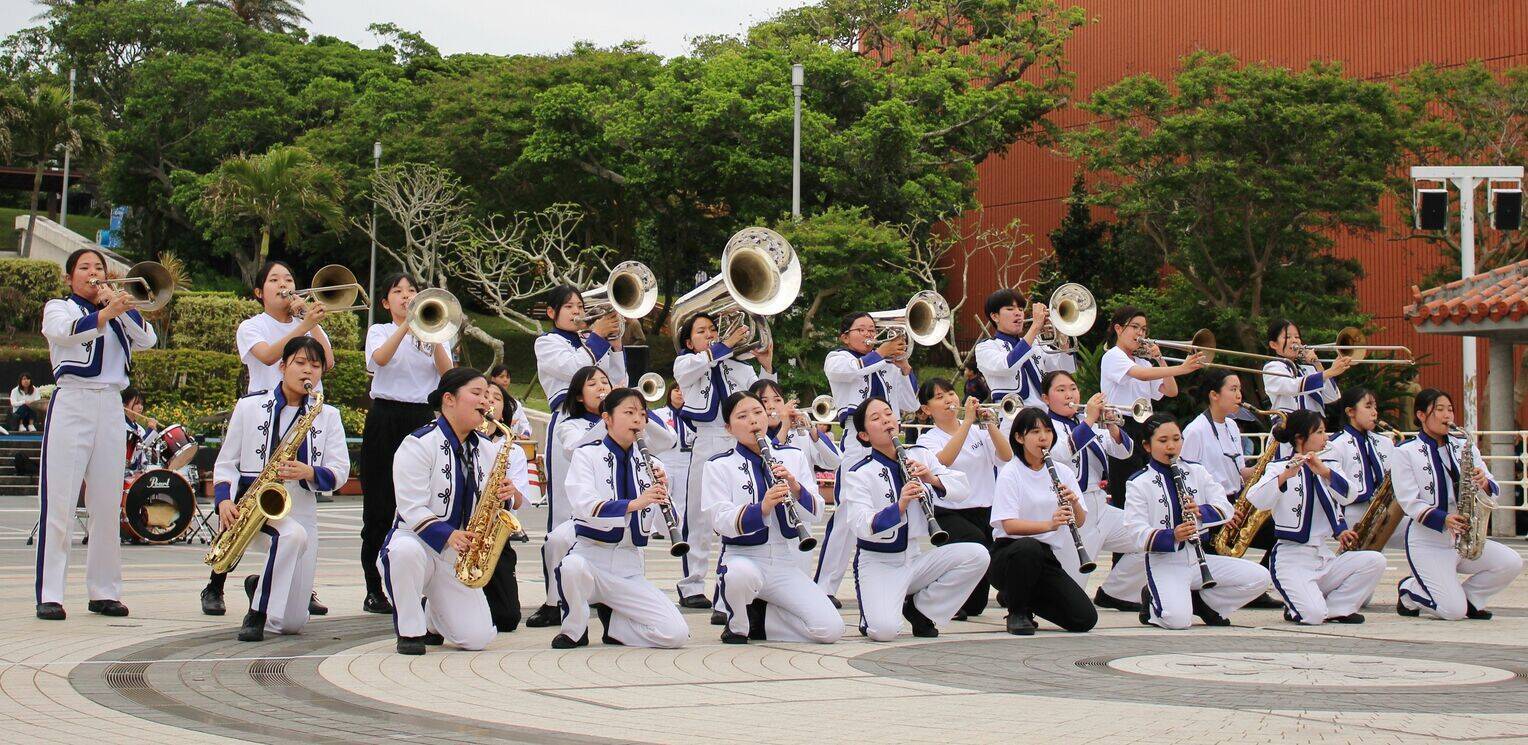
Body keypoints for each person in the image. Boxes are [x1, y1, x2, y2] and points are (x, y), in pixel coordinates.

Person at [206, 261, 336, 616]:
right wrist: (305, 325)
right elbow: (265, 355)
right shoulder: (252, 326)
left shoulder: (303, 323)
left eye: (289, 279)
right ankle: (216, 580)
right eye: (275, 280)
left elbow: (329, 360)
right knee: (244, 503)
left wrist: (309, 321)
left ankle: (294, 586)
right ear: (258, 292)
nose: (284, 285)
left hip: (301, 417)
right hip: (261, 420)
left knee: (296, 511)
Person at [35, 248, 158, 621]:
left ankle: (103, 591)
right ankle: (50, 592)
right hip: (72, 401)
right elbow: (64, 335)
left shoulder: (119, 313)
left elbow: (148, 339)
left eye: (99, 268)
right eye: (85, 268)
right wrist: (104, 313)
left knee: (106, 504)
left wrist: (121, 308)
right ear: (71, 277)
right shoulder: (60, 307)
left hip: (110, 404)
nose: (94, 273)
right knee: (60, 501)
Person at [212, 337, 349, 642]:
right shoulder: (249, 407)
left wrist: (310, 471)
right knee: (291, 535)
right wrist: (223, 502)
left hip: (301, 507)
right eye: (300, 363)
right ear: (282, 366)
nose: (308, 372)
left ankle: (259, 584)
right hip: (256, 509)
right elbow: (225, 464)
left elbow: (341, 472)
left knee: (290, 624)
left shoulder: (328, 416)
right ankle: (256, 613)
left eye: (315, 366)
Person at [380, 367, 521, 655]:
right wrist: (447, 534)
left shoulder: (488, 448)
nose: (486, 402)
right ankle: (410, 631)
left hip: (457, 556)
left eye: (488, 395)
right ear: (449, 399)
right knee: (404, 553)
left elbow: (493, 502)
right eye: (476, 393)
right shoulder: (418, 443)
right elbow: (410, 505)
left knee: (478, 639)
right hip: (416, 542)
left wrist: (508, 495)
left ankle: (433, 615)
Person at [839, 396, 988, 641]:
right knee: (884, 632)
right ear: (864, 435)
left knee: (977, 555)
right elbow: (860, 523)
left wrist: (932, 478)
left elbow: (962, 489)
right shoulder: (859, 474)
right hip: (879, 563)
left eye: (888, 413)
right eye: (876, 418)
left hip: (914, 556)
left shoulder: (921, 455)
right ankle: (886, 604)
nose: (886, 420)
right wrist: (899, 505)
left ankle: (921, 609)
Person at [553, 387, 689, 649]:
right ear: (607, 418)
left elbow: (669, 525)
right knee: (571, 567)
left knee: (675, 634)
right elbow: (584, 505)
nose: (637, 420)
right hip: (591, 557)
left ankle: (615, 627)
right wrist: (634, 504)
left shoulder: (654, 465)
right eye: (628, 412)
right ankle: (574, 629)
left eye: (641, 414)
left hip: (629, 565)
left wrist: (665, 496)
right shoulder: (586, 455)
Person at [705, 391, 842, 644]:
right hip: (743, 557)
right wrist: (763, 508)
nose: (753, 421)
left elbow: (818, 509)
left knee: (830, 630)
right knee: (737, 575)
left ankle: (762, 620)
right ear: (729, 428)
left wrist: (796, 488)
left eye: (758, 413)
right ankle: (736, 624)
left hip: (782, 559)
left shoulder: (792, 456)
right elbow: (719, 519)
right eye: (743, 416)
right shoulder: (718, 465)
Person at [529, 285, 629, 628]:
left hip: (606, 424)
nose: (576, 312)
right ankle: (554, 599)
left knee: (603, 501)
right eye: (569, 307)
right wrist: (598, 338)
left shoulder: (593, 339)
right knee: (564, 510)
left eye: (580, 306)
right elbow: (572, 371)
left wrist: (614, 346)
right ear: (552, 313)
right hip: (568, 421)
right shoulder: (548, 342)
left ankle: (600, 591)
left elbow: (619, 381)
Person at [359, 273, 453, 615]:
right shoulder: (380, 331)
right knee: (379, 505)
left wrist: (435, 335)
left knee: (425, 501)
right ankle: (374, 588)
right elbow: (379, 360)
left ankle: (424, 587)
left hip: (422, 419)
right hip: (385, 416)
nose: (406, 296)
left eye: (412, 291)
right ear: (386, 302)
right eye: (397, 291)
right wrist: (407, 326)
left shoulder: (436, 332)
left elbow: (448, 375)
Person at [1125, 413, 1270, 629]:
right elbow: (1135, 532)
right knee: (1177, 621)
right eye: (1163, 441)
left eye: (1176, 439)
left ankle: (1203, 603)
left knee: (1260, 577)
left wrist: (1201, 511)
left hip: (1196, 557)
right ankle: (1153, 602)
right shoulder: (1139, 482)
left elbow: (1225, 507)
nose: (1171, 446)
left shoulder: (1197, 472)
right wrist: (1173, 535)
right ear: (1147, 446)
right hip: (1165, 561)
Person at [672, 310, 775, 610]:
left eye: (712, 330)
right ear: (689, 342)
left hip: (739, 440)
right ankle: (691, 583)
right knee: (700, 515)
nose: (709, 334)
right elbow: (688, 371)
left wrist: (766, 367)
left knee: (742, 506)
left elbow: (760, 398)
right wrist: (722, 346)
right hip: (707, 439)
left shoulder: (739, 368)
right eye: (701, 331)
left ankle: (732, 581)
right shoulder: (686, 362)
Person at [816, 312, 920, 604]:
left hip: (891, 443)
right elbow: (848, 372)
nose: (867, 333)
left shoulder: (886, 366)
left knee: (894, 506)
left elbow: (911, 404)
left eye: (872, 329)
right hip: (857, 442)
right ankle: (825, 587)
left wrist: (903, 367)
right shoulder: (837, 358)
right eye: (860, 330)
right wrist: (880, 353)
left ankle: (898, 579)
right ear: (845, 336)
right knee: (849, 514)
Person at [1393, 389, 1523, 621]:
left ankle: (1471, 599)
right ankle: (1410, 590)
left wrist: (1484, 482)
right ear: (1421, 415)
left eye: (1450, 410)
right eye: (1439, 410)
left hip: (1464, 536)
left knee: (1511, 562)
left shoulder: (1464, 446)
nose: (1447, 416)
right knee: (1452, 612)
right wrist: (1443, 518)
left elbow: (1493, 485)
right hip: (1428, 541)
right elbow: (1408, 501)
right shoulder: (1406, 452)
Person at [1246, 410, 1385, 625]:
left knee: (1374, 561)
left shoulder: (1329, 466)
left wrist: (1325, 472)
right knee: (1313, 616)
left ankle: (1339, 608)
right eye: (1319, 432)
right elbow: (1257, 498)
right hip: (1292, 557)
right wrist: (1285, 475)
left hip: (1323, 556)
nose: (1325, 437)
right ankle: (1299, 604)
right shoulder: (1278, 467)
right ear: (1300, 438)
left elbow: (1350, 494)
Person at [1038, 370, 1143, 609]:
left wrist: (1113, 426)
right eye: (1061, 390)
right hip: (1075, 510)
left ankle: (1117, 592)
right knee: (1070, 593)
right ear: (1046, 398)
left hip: (1102, 506)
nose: (1069, 395)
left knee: (1152, 536)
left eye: (1072, 388)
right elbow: (1061, 454)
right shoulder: (1044, 425)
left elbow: (1124, 452)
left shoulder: (1088, 424)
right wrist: (1090, 420)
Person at [989, 406, 1098, 635]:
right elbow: (1008, 525)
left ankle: (1019, 594)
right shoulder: (1011, 472)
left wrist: (1074, 502)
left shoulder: (1063, 472)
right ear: (1019, 437)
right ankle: (1017, 612)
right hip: (1010, 553)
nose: (1043, 437)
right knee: (1029, 547)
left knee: (1083, 619)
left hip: (1044, 556)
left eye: (1048, 431)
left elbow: (1079, 521)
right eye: (1035, 432)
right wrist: (1049, 524)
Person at [1181, 371, 1283, 610]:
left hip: (1235, 502)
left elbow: (1239, 472)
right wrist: (1220, 512)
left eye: (1239, 390)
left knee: (1281, 533)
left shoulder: (1232, 426)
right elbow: (1188, 479)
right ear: (1214, 395)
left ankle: (1256, 586)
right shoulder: (1195, 430)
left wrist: (1267, 465)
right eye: (1233, 390)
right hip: (1211, 510)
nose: (1239, 395)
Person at [912, 378, 1011, 619]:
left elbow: (1006, 455)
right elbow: (943, 461)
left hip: (984, 510)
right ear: (926, 409)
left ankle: (955, 599)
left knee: (974, 606)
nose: (949, 400)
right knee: (977, 545)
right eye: (939, 397)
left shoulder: (979, 431)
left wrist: (990, 425)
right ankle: (928, 595)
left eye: (951, 393)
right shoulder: (928, 439)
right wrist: (967, 421)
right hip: (949, 511)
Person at [1100, 306, 1203, 508]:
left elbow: (1170, 390)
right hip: (1122, 426)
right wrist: (1183, 368)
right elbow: (1141, 375)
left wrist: (1159, 359)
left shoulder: (1143, 362)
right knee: (1127, 486)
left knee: (1149, 483)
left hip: (1145, 426)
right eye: (1135, 327)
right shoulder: (1112, 356)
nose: (1140, 333)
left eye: (1144, 329)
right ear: (1119, 329)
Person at [481, 382, 532, 631]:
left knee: (508, 619)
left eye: (496, 398)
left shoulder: (511, 450)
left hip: (495, 536)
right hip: (461, 533)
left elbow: (521, 501)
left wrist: (511, 492)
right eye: (483, 395)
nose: (489, 401)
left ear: (503, 412)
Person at [972, 289, 1074, 410]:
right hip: (1012, 418)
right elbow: (1007, 366)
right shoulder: (985, 347)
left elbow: (1063, 369)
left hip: (1046, 414)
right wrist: (1035, 327)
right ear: (995, 316)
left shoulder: (1035, 343)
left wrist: (1062, 336)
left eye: (1021, 309)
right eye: (1010, 309)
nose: (1018, 313)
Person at [1327, 387, 1399, 532]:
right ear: (1350, 412)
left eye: (1375, 407)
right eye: (1368, 406)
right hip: (1351, 512)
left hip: (1383, 509)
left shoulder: (1385, 442)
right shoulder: (1335, 444)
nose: (1374, 412)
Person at [1261, 319, 1351, 418]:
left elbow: (1331, 398)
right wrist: (1329, 372)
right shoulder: (1272, 367)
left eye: (1297, 337)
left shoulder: (1308, 369)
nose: (1294, 340)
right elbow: (1292, 386)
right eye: (1287, 337)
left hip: (1314, 427)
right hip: (1289, 426)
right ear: (1273, 344)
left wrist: (1318, 365)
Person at [486, 364, 533, 438]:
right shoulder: (484, 401)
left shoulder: (516, 405)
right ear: (493, 379)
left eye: (508, 377)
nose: (505, 380)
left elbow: (525, 425)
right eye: (501, 377)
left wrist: (526, 433)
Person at [121, 387, 159, 474]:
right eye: (137, 403)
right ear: (124, 405)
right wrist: (150, 431)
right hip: (124, 473)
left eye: (141, 404)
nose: (140, 407)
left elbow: (145, 450)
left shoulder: (140, 429)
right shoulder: (121, 426)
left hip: (138, 472)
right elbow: (134, 452)